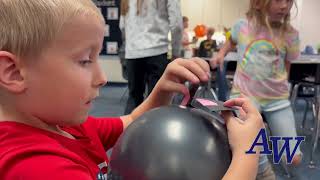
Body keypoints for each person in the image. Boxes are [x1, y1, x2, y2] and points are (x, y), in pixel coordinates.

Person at [0, 0, 264, 179]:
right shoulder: (35, 166)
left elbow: (133, 122)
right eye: (84, 60)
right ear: (13, 72)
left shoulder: (63, 124)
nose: (102, 78)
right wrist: (248, 152)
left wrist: (161, 90)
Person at [211, 0, 302, 179]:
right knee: (248, 145)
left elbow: (286, 66)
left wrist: (283, 89)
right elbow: (230, 42)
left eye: (289, 1)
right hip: (244, 95)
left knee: (293, 158)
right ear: (259, 3)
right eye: (277, 0)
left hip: (277, 98)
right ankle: (263, 170)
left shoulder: (291, 34)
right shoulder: (242, 26)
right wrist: (220, 54)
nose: (284, 6)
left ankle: (266, 152)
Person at [120, 0, 183, 114]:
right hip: (157, 51)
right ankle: (153, 131)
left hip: (132, 53)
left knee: (134, 97)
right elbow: (177, 24)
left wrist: (131, 46)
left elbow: (122, 26)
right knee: (157, 101)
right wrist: (175, 52)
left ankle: (128, 131)